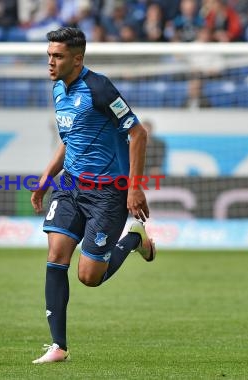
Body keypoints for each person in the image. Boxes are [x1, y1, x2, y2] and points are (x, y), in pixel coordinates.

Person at [30, 27, 156, 364]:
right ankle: (58, 346)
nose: (51, 63)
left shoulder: (99, 89)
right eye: (49, 56)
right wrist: (47, 176)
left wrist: (134, 186)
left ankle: (133, 240)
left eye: (57, 57)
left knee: (89, 277)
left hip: (107, 193)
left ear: (77, 58)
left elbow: (138, 133)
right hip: (71, 185)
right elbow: (71, 138)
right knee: (56, 254)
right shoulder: (59, 89)